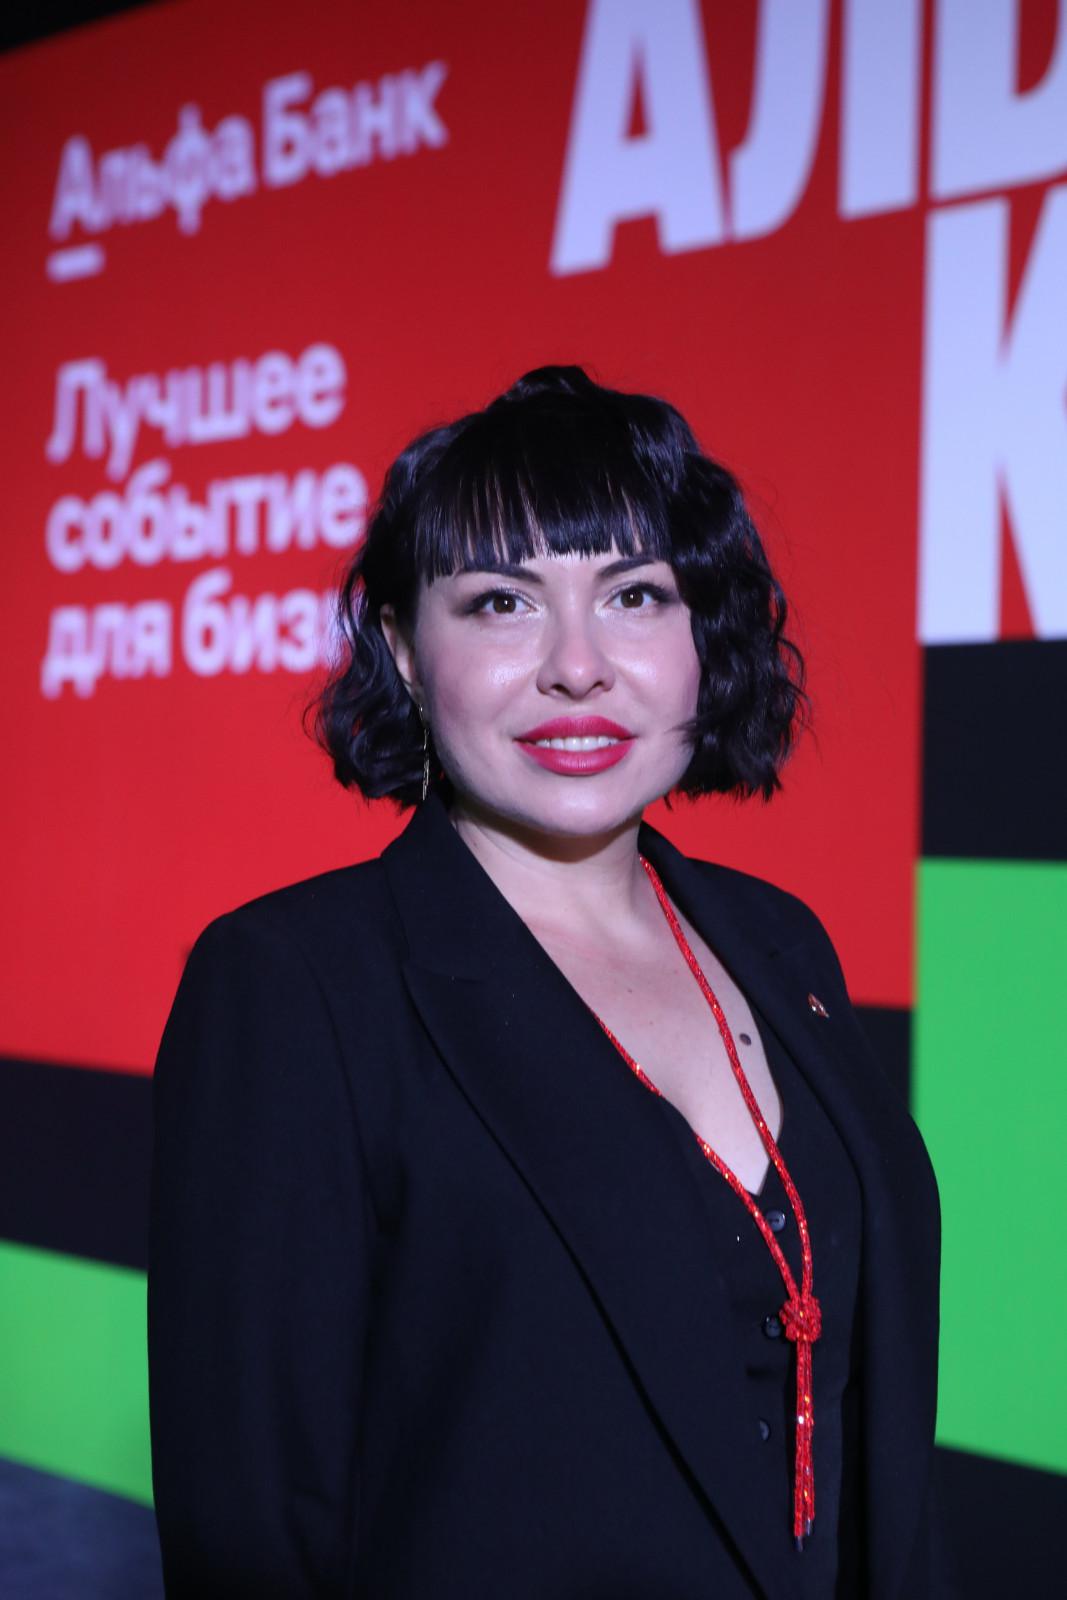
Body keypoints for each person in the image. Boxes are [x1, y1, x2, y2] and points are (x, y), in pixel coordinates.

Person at [147, 365, 956, 1598]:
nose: (577, 667)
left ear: (700, 636)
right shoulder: (294, 984)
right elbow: (255, 1528)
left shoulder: (779, 942)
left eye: (634, 595)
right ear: (404, 651)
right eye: (499, 603)